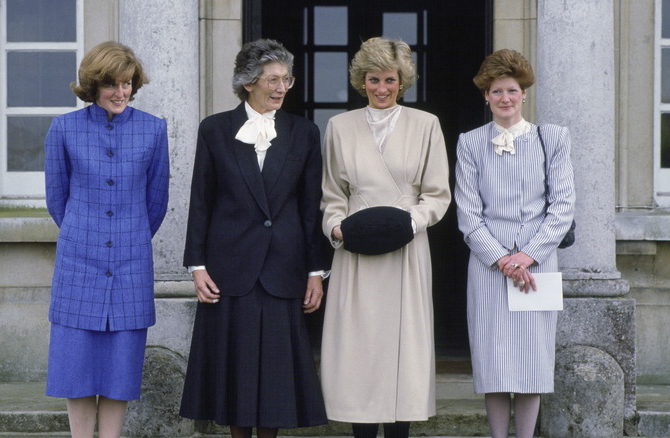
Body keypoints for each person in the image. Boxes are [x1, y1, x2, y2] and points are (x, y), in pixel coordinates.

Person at [179, 39, 329, 438]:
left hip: (285, 268)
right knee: (236, 374)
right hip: (230, 270)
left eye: (286, 79)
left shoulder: (305, 133)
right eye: (273, 80)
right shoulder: (214, 130)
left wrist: (316, 271)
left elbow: (310, 206)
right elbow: (201, 201)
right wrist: (197, 266)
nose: (281, 88)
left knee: (275, 378)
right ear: (248, 83)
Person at [319, 37, 451, 438]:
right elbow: (331, 195)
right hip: (356, 251)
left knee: (403, 350)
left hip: (406, 248)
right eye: (373, 79)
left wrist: (408, 224)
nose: (381, 88)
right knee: (360, 350)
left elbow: (438, 193)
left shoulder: (426, 125)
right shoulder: (339, 127)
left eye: (389, 80)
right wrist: (338, 228)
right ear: (362, 80)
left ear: (401, 81)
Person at [44, 41, 169, 438]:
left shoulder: (153, 128)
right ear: (93, 86)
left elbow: (156, 201)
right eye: (112, 85)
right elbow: (57, 199)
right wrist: (88, 236)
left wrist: (126, 237)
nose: (121, 93)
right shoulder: (63, 128)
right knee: (76, 368)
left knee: (120, 368)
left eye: (128, 84)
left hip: (132, 265)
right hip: (78, 264)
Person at [453, 49, 576, 438]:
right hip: (489, 266)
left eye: (511, 90)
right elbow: (468, 214)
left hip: (537, 266)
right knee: (493, 361)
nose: (504, 98)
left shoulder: (552, 138)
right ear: (485, 97)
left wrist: (526, 256)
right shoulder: (470, 143)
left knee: (531, 362)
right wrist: (503, 260)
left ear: (524, 94)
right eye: (496, 91)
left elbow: (563, 205)